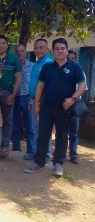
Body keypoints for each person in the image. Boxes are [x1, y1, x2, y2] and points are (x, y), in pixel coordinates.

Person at [27, 38, 86, 177]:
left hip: (64, 108)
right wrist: (36, 105)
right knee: (43, 135)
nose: (60, 51)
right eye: (57, 49)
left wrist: (72, 99)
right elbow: (40, 86)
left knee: (62, 136)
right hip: (47, 106)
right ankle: (39, 161)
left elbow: (82, 85)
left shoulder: (74, 67)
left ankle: (58, 164)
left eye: (62, 48)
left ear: (66, 49)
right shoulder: (47, 67)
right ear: (53, 51)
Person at [0, 35, 23, 158]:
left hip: (8, 93)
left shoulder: (13, 59)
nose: (1, 45)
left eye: (3, 43)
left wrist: (13, 94)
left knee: (8, 121)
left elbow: (18, 78)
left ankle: (5, 146)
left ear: (7, 45)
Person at [25, 39, 52, 160]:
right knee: (35, 128)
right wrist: (32, 101)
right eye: (36, 48)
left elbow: (47, 86)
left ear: (47, 49)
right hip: (34, 100)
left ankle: (45, 154)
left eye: (41, 48)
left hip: (42, 102)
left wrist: (39, 102)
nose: (38, 50)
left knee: (44, 128)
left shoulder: (48, 64)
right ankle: (36, 152)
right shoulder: (36, 64)